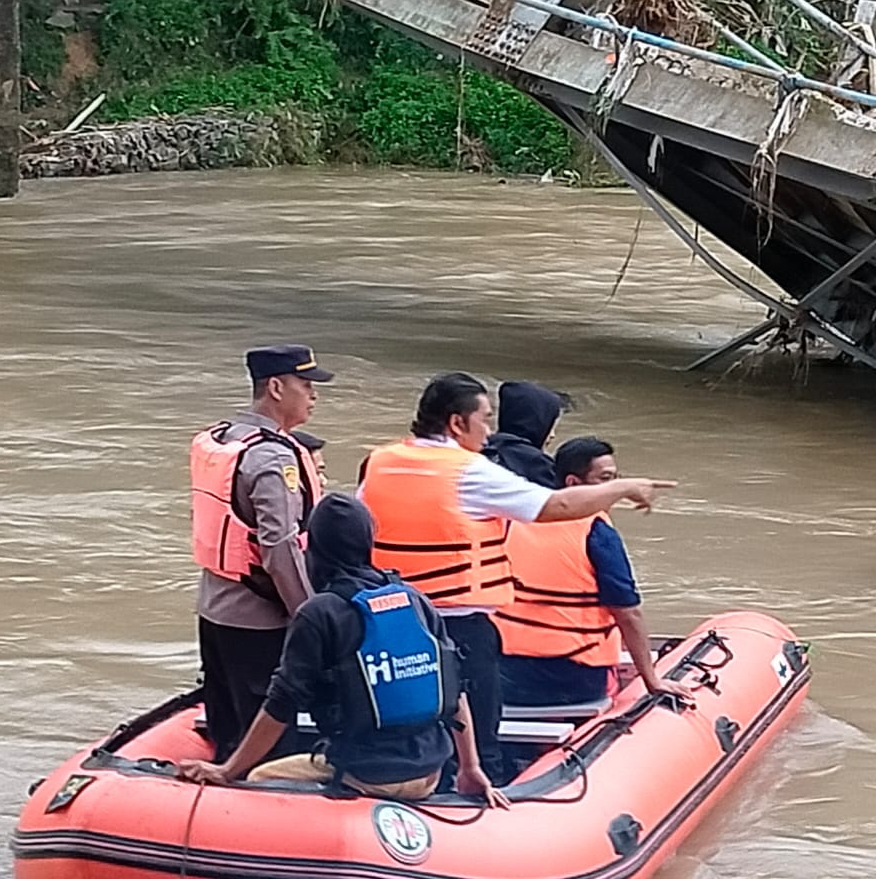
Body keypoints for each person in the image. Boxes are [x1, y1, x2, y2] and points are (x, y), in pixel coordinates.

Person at [358, 372, 676, 784]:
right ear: (457, 423)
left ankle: (402, 786)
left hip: (392, 621)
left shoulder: (380, 462)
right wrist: (625, 488)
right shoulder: (470, 471)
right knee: (478, 730)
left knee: (413, 720)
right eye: (485, 419)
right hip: (459, 625)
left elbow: (356, 528)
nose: (489, 432)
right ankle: (477, 793)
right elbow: (557, 507)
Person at [179, 494, 509, 808]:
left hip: (363, 772)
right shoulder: (415, 600)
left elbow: (282, 704)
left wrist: (228, 770)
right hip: (428, 770)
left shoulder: (319, 613)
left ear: (315, 549)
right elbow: (454, 691)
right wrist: (470, 767)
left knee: (258, 778)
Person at [191, 344, 333, 762]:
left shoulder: (226, 439)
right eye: (305, 385)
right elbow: (279, 546)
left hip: (215, 609)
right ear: (275, 387)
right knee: (267, 742)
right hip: (260, 623)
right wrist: (309, 617)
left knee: (227, 730)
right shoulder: (272, 457)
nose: (313, 395)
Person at [496, 436, 693, 707]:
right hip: (574, 679)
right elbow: (628, 613)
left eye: (615, 479)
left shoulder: (514, 522)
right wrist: (652, 679)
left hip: (506, 677)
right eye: (605, 479)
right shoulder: (596, 532)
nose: (614, 489)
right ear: (573, 483)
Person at [481, 380, 564, 489]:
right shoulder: (538, 464)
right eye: (550, 426)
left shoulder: (484, 447)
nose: (552, 435)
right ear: (537, 422)